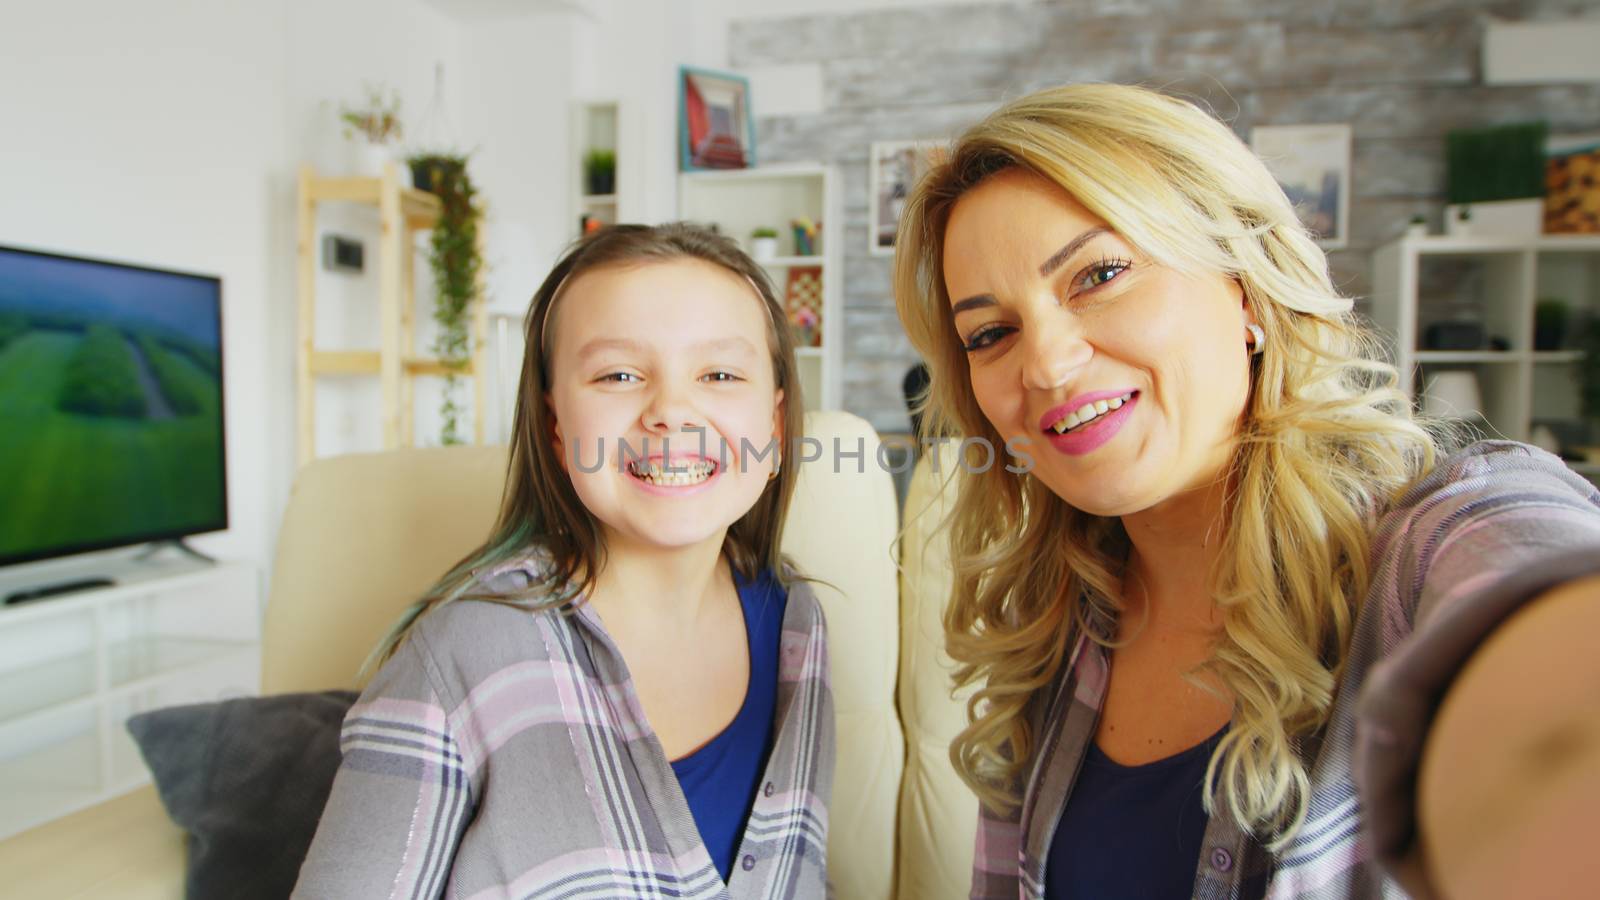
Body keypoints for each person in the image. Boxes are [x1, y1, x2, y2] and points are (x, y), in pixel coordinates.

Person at [892, 83, 1600, 900]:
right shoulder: (1052, 621)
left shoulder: (1427, 549)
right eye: (991, 332)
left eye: (1101, 273)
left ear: (1249, 290)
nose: (1045, 363)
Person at [295, 224, 832, 899]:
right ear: (555, 428)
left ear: (776, 428)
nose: (671, 410)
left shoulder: (798, 624)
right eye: (618, 375)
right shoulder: (460, 652)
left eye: (720, 374)